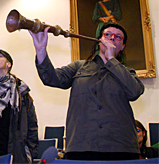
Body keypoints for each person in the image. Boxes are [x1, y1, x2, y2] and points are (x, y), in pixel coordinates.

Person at [29, 23, 144, 160]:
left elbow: (135, 91)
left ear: (123, 46)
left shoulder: (127, 72)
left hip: (121, 147)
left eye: (118, 37)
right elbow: (51, 78)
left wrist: (112, 59)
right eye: (107, 34)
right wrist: (41, 50)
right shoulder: (79, 66)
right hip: (81, 145)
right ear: (99, 40)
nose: (112, 38)